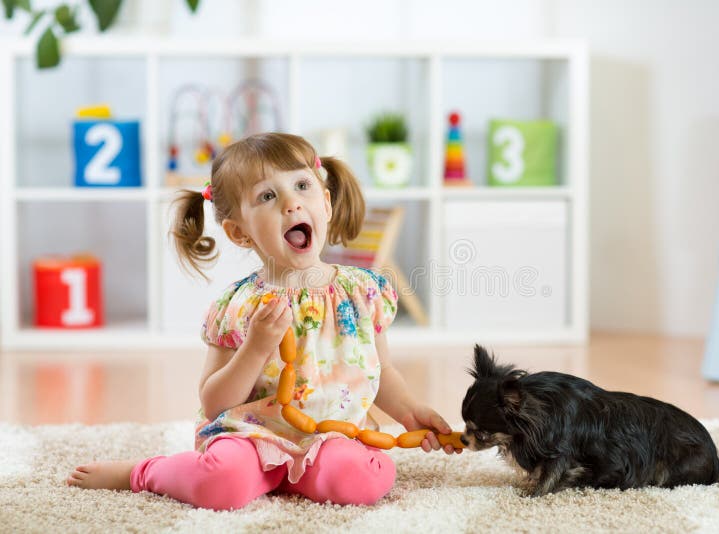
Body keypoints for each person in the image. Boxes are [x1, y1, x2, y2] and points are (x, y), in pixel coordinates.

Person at [66, 132, 460, 510]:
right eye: (268, 196)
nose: (291, 204)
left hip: (328, 436)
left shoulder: (363, 292)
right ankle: (144, 473)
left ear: (325, 203)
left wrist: (410, 412)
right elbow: (214, 400)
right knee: (220, 484)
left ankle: (299, 475)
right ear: (240, 233)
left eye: (302, 186)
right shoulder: (238, 306)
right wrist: (255, 348)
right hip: (249, 437)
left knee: (366, 480)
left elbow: (380, 371)